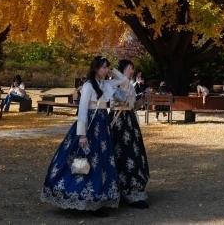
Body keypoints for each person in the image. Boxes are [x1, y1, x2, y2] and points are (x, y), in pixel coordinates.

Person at [41, 56, 122, 212]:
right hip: (90, 126)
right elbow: (82, 111)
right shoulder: (88, 86)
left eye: (107, 68)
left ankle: (98, 197)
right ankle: (80, 196)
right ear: (95, 68)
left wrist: (113, 70)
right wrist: (82, 135)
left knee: (102, 161)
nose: (105, 70)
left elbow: (123, 81)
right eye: (103, 67)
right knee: (86, 159)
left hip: (103, 125)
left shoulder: (105, 84)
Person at [109, 60, 150, 208]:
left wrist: (142, 99)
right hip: (118, 122)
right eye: (130, 68)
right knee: (120, 153)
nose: (132, 71)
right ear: (124, 69)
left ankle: (133, 190)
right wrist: (129, 90)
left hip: (130, 122)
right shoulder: (113, 83)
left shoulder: (129, 84)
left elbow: (133, 106)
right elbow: (120, 100)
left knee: (134, 153)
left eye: (132, 68)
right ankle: (118, 190)